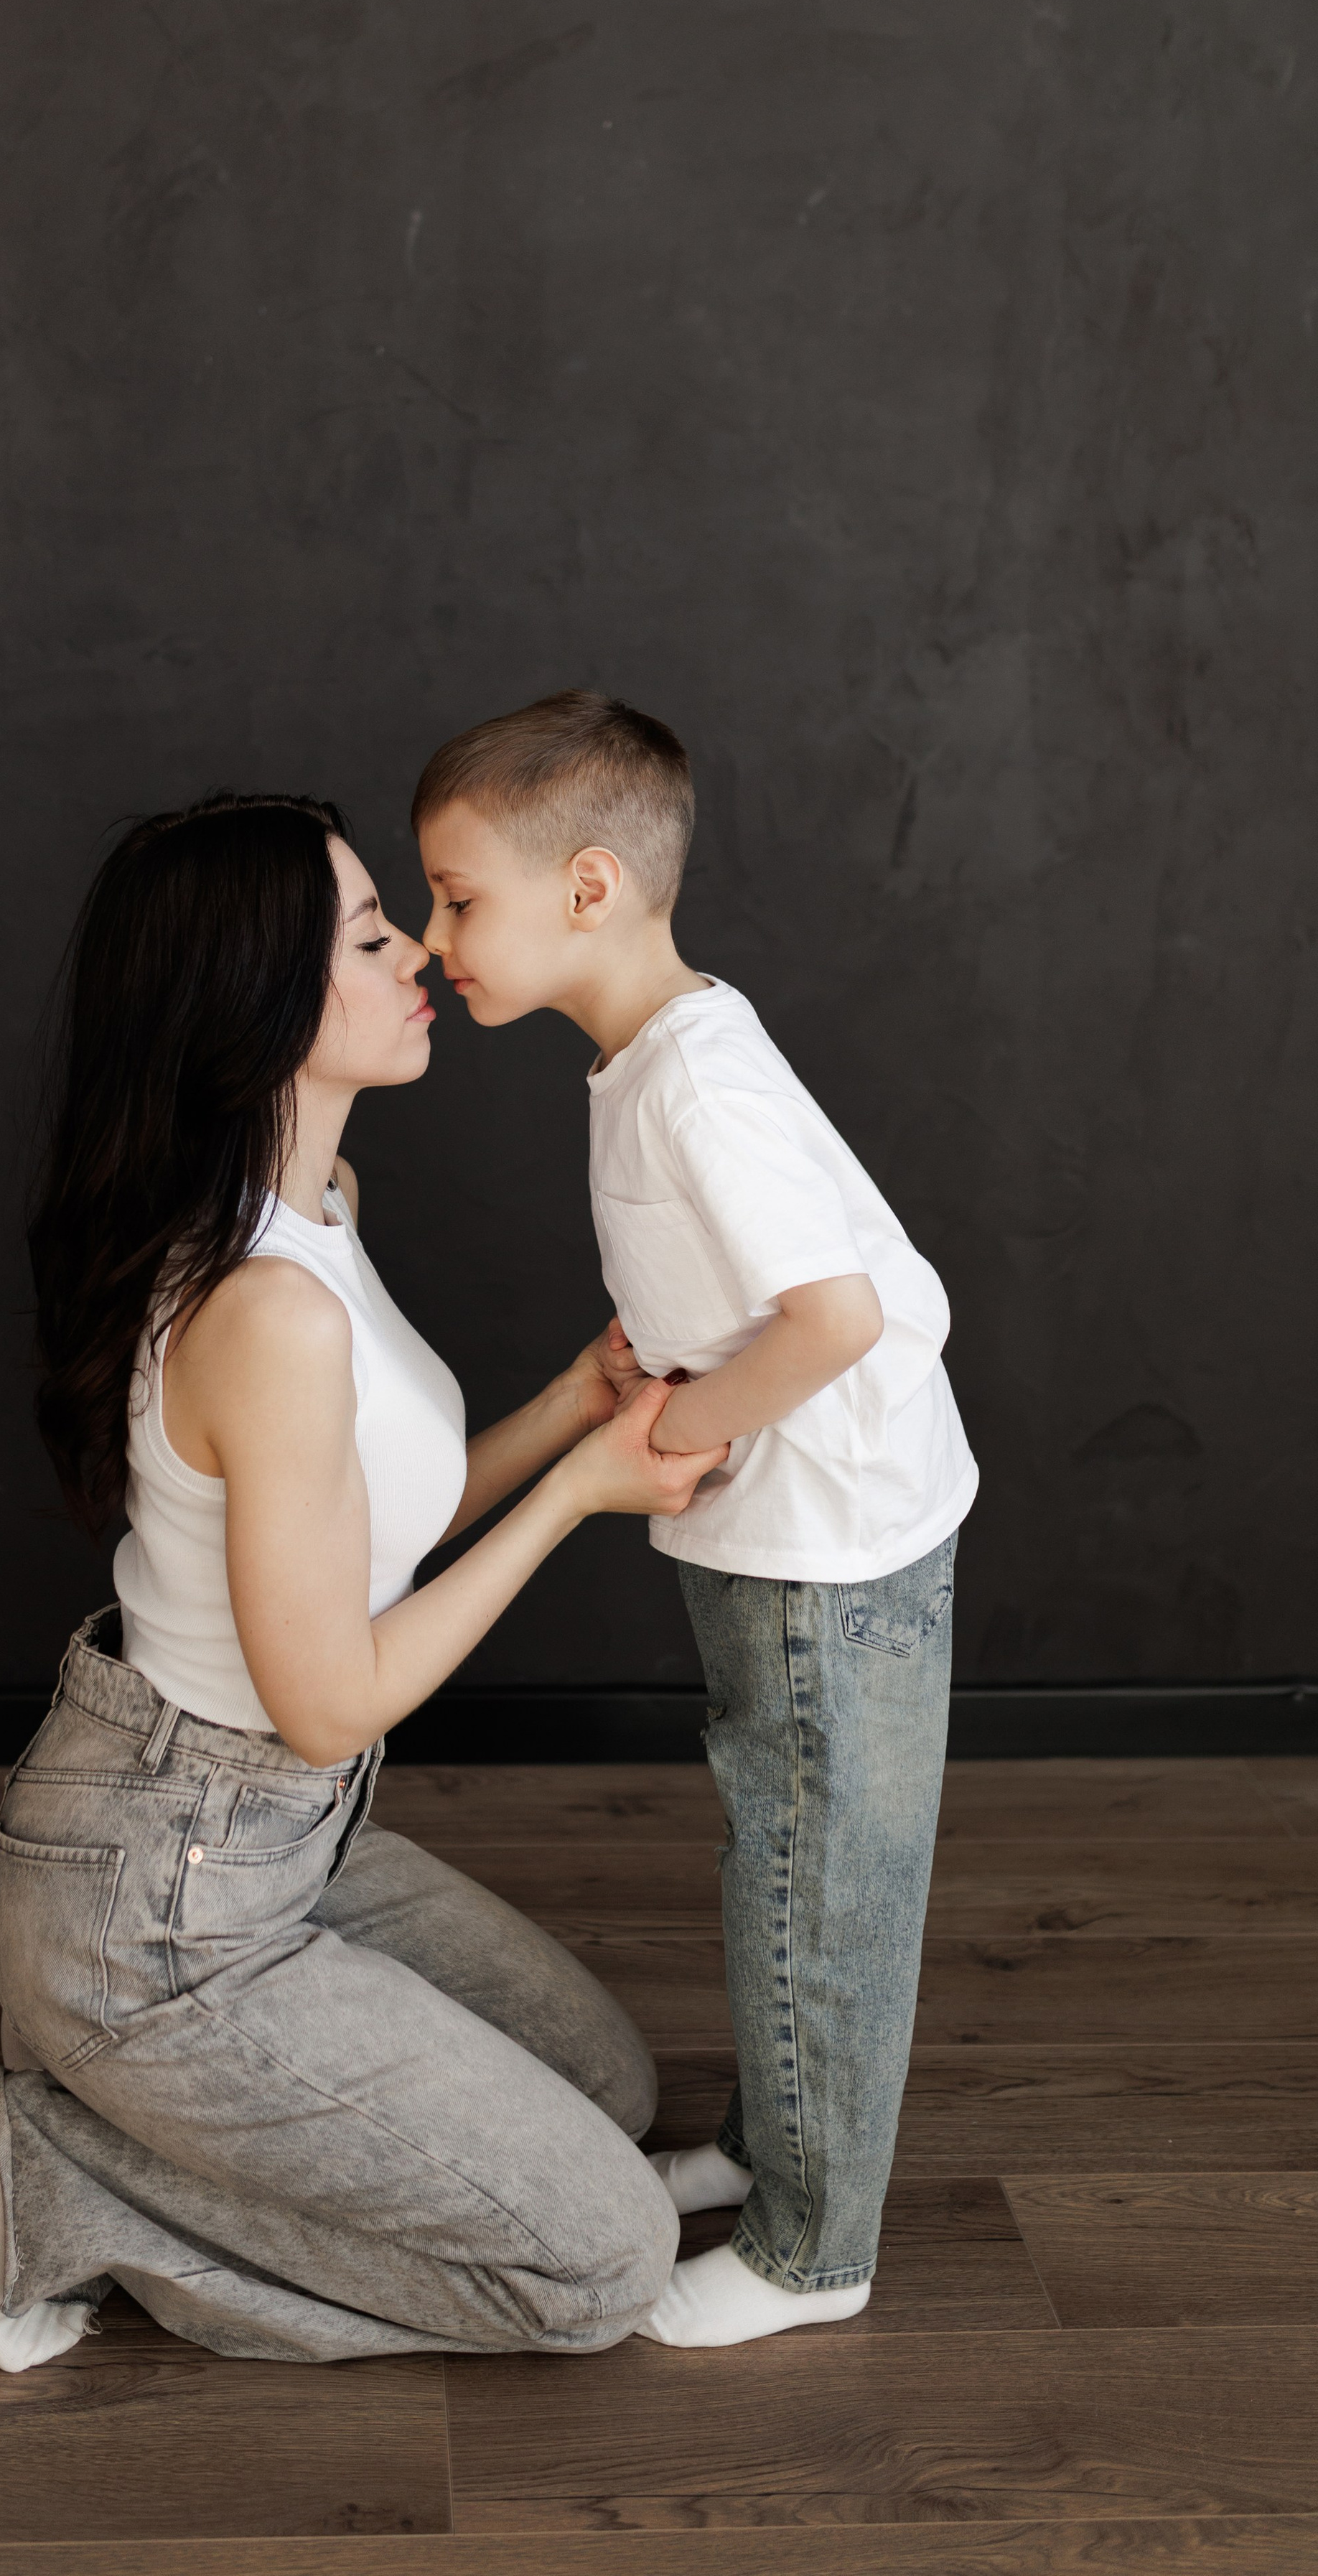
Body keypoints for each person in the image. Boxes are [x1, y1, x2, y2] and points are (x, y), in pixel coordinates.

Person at [0, 789, 728, 2369]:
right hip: (162, 1901)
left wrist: (570, 1407)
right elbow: (323, 1703)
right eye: (371, 936)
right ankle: (64, 2173)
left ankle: (120, 2105)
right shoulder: (262, 1311)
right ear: (251, 1009)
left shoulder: (319, 1211)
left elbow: (374, 1525)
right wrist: (581, 1492)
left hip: (280, 1845)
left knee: (610, 2091)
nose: (421, 957)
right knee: (601, 2267)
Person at [413, 691, 978, 2349]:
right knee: (784, 1866)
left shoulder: (691, 1088)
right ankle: (764, 2143)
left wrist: (680, 1424)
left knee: (817, 1888)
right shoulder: (658, 1055)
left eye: (456, 898)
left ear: (585, 889)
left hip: (825, 1550)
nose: (437, 934)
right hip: (792, 1531)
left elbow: (835, 1318)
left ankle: (818, 2251)